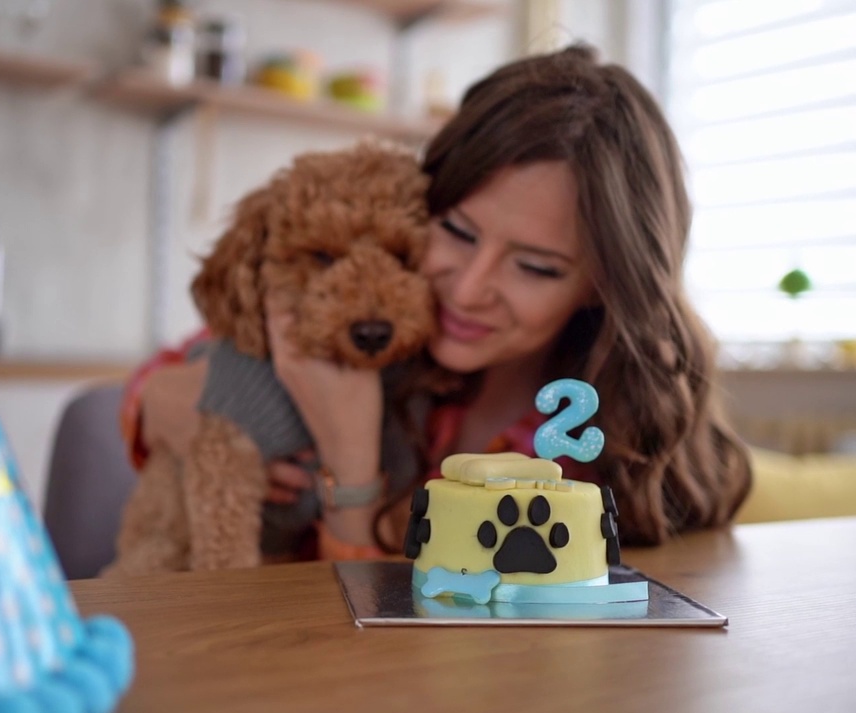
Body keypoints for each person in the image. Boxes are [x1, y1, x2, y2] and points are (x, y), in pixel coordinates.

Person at [120, 44, 752, 562]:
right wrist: (158, 400)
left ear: (603, 287)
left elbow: (416, 632)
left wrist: (352, 469)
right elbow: (175, 376)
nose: (469, 288)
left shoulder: (584, 450)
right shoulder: (380, 325)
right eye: (454, 231)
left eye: (535, 267)